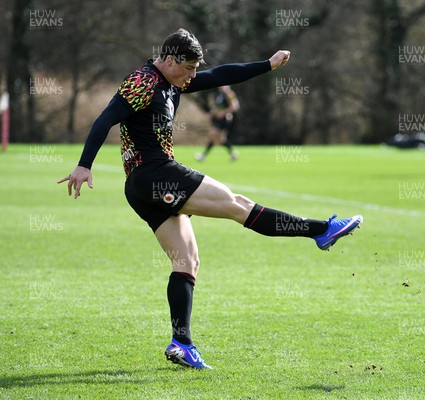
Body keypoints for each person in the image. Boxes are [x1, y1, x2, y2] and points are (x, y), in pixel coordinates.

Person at [58, 28, 362, 370]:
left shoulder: (173, 81)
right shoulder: (142, 81)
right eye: (188, 68)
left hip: (144, 187)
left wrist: (267, 65)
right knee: (238, 205)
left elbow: (220, 75)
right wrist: (84, 165)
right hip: (156, 174)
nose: (192, 76)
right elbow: (105, 118)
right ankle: (320, 230)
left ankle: (181, 343)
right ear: (170, 60)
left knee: (187, 262)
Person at [195, 85, 239, 161]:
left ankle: (203, 156)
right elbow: (220, 107)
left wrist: (223, 113)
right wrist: (213, 113)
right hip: (220, 119)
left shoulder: (229, 94)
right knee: (221, 139)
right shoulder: (220, 95)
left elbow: (235, 106)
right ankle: (233, 154)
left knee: (212, 135)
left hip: (225, 119)